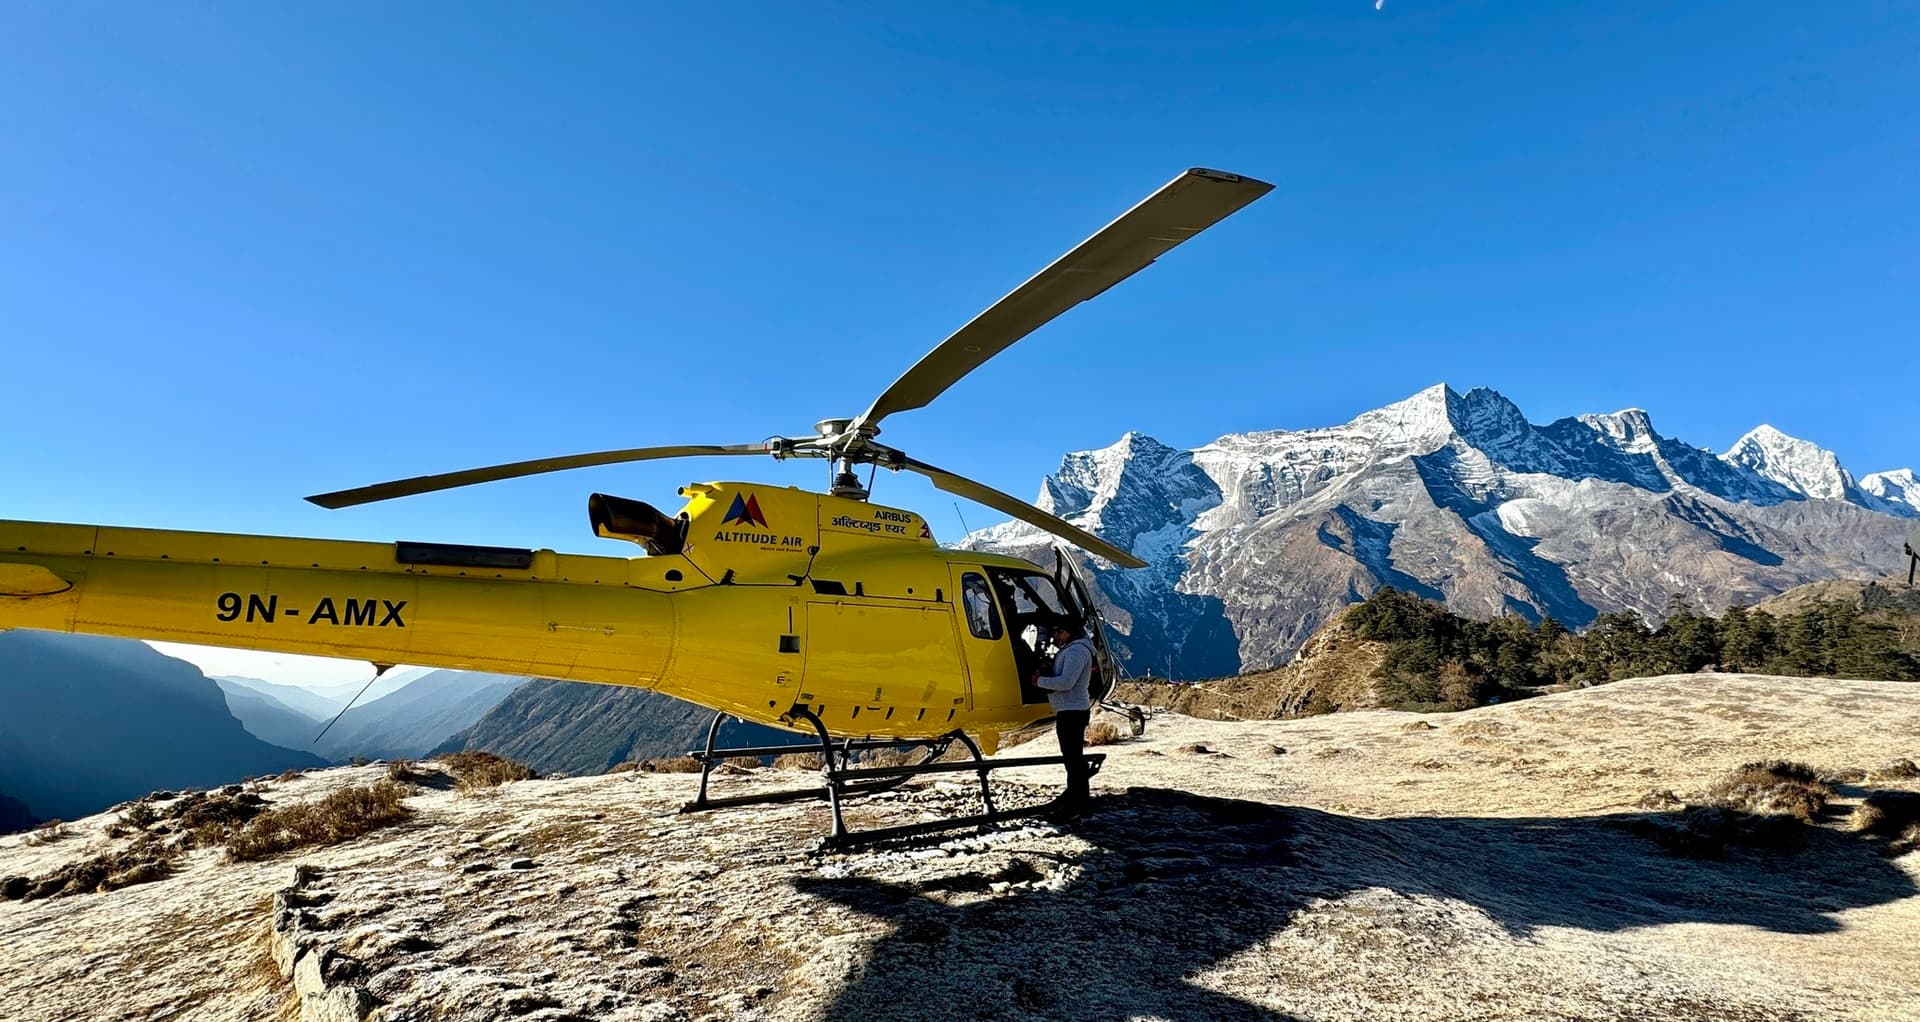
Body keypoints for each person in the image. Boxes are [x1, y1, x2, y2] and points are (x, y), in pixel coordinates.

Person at [1032, 621, 1095, 818]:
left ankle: (1073, 806)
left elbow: (1066, 682)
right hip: (1071, 709)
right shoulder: (1075, 649)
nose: (1056, 636)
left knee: (1073, 761)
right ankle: (1081, 805)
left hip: (1072, 711)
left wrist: (1038, 682)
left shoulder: (1076, 651)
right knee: (1074, 760)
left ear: (1070, 632)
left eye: (1060, 631)